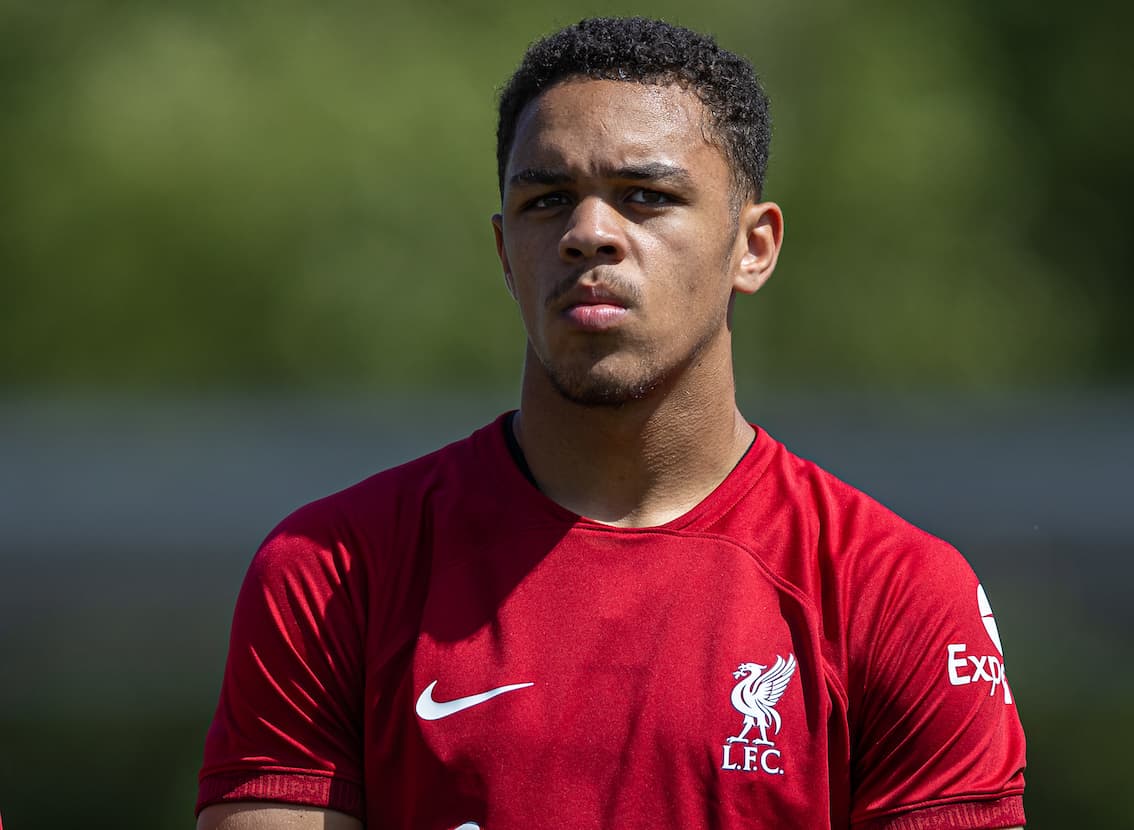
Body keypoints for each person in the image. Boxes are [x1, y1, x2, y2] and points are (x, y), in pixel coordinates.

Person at [196, 17, 1026, 829]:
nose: (588, 234)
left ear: (754, 247)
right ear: (503, 253)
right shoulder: (333, 572)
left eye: (646, 197)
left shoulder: (894, 594)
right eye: (548, 200)